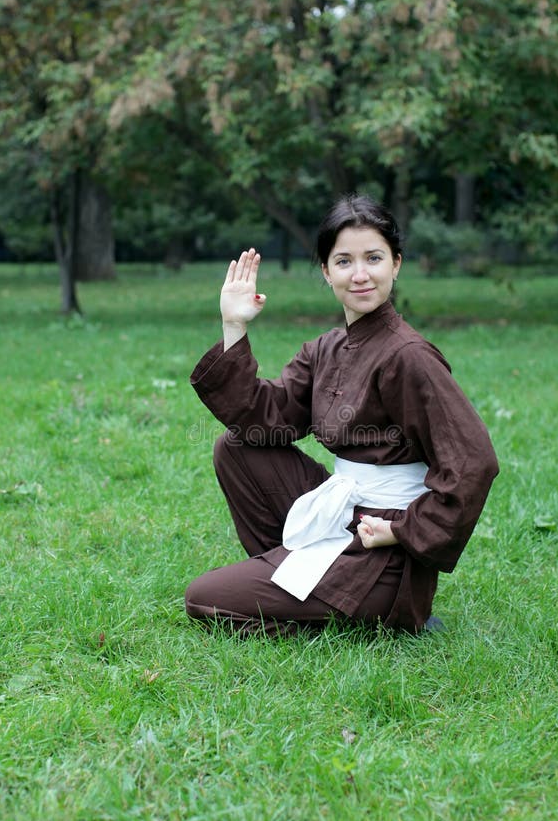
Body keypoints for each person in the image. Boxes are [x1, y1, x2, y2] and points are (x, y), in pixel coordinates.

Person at [185, 195, 499, 636]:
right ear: (326, 272)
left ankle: (374, 612)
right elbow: (263, 420)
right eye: (344, 260)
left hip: (380, 547)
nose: (360, 274)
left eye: (373, 258)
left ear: (396, 264)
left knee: (204, 599)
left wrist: (403, 530)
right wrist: (234, 325)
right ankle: (300, 584)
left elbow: (473, 463)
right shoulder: (326, 349)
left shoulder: (409, 356)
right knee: (237, 447)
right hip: (344, 512)